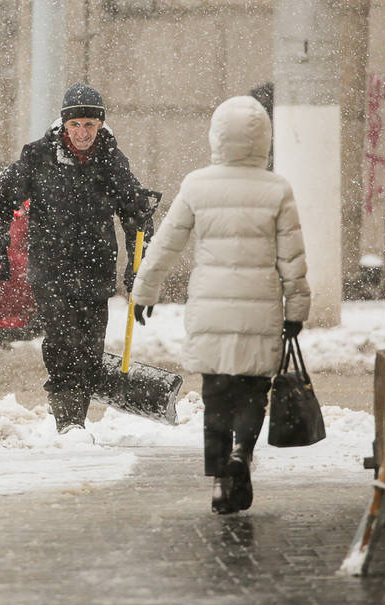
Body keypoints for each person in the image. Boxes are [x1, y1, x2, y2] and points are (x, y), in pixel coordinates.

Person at [131, 96, 311, 514]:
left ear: (217, 137)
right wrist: (296, 311)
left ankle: (218, 484)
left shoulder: (197, 185)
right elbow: (293, 259)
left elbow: (166, 244)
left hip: (211, 308)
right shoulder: (277, 189)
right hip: (260, 308)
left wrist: (144, 291)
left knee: (215, 395)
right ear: (264, 140)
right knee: (252, 392)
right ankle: (240, 456)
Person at [0, 82, 153, 435]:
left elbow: (137, 217)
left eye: (90, 125)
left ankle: (76, 419)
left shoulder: (112, 162)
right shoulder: (38, 157)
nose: (83, 133)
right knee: (62, 346)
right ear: (64, 125)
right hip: (51, 272)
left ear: (100, 125)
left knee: (90, 351)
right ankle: (68, 423)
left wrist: (140, 266)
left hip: (95, 270)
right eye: (76, 125)